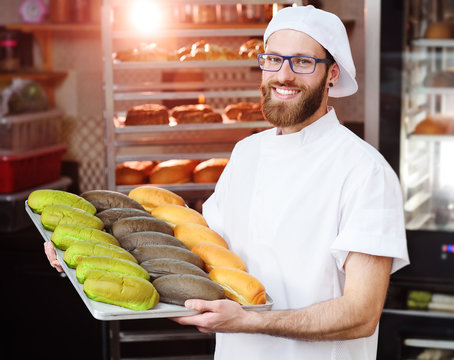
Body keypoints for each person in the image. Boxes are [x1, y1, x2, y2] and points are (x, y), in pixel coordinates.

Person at [44, 5, 409, 359]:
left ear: (331, 74)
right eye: (273, 58)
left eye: (303, 61)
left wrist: (251, 321)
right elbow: (197, 245)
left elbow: (362, 314)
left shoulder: (364, 171)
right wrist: (87, 245)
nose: (283, 75)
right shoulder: (247, 153)